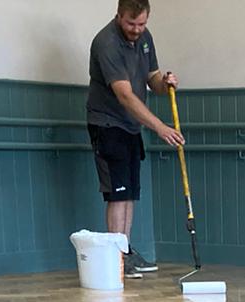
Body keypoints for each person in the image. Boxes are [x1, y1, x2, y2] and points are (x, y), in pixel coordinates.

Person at [87, 0, 183, 279]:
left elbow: (151, 77)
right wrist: (159, 127)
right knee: (117, 194)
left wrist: (165, 85)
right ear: (119, 16)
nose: (137, 29)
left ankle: (124, 249)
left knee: (130, 192)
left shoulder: (144, 37)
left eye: (142, 24)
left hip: (131, 125)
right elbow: (125, 95)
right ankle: (116, 256)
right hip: (107, 123)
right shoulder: (106, 43)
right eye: (131, 23)